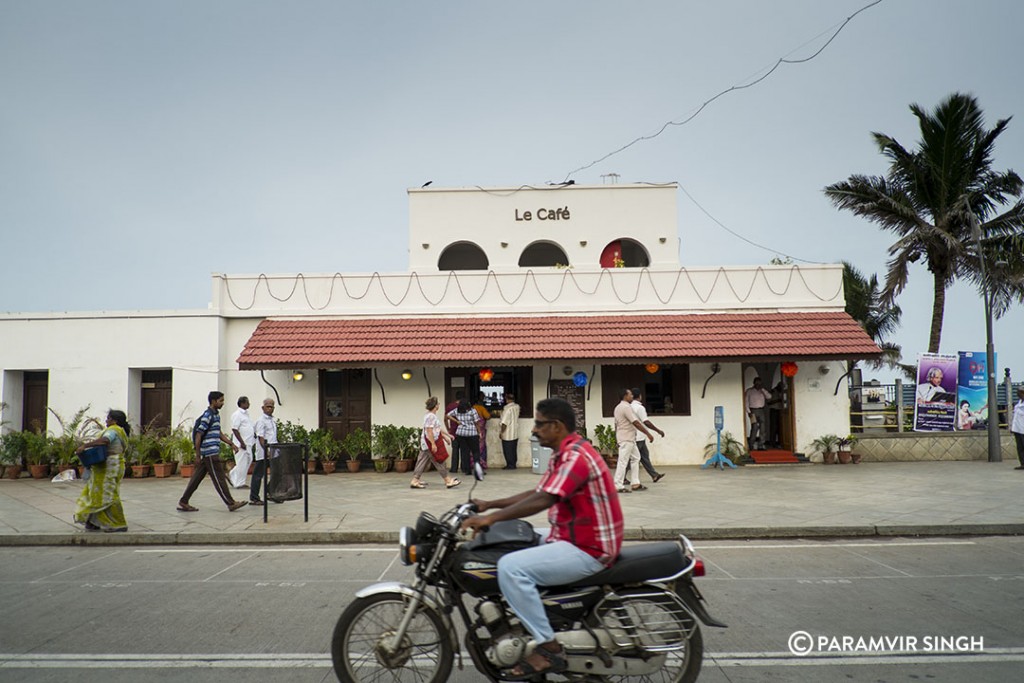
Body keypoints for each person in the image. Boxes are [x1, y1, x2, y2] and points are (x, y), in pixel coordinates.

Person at [461, 397, 623, 679]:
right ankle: (532, 617)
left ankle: (549, 647)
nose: (534, 430)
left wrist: (490, 519)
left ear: (557, 426)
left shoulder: (575, 457)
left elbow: (545, 499)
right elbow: (538, 491)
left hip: (590, 545)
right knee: (512, 544)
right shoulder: (566, 451)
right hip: (574, 534)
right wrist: (491, 505)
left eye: (539, 424)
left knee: (510, 568)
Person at [177, 391, 247, 513]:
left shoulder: (216, 415)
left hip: (209, 454)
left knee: (196, 479)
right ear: (213, 401)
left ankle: (184, 501)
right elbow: (199, 435)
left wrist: (231, 444)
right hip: (209, 454)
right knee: (219, 479)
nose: (223, 403)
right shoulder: (207, 415)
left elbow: (218, 432)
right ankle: (230, 503)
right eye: (221, 401)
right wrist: (197, 454)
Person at [73, 409, 130, 532]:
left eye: (108, 418)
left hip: (109, 467)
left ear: (115, 420)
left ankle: (118, 523)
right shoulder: (118, 431)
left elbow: (105, 440)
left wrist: (85, 446)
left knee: (108, 494)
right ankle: (93, 522)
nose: (106, 420)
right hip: (107, 466)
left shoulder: (113, 430)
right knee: (95, 493)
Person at [409, 396, 461, 489]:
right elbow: (429, 431)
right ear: (435, 406)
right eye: (438, 403)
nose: (439, 405)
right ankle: (447, 480)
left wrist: (446, 436)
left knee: (422, 461)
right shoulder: (431, 417)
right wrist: (433, 444)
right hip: (430, 442)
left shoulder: (429, 415)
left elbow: (437, 429)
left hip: (426, 442)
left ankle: (415, 480)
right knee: (439, 460)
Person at [613, 388, 654, 493]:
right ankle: (617, 484)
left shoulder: (618, 407)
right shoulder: (625, 407)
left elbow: (616, 424)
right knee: (623, 461)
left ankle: (635, 483)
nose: (632, 396)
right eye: (630, 394)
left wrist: (616, 438)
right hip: (626, 438)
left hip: (628, 438)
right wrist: (648, 433)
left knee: (636, 458)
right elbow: (635, 422)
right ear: (625, 396)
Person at [630, 388, 665, 484]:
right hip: (639, 436)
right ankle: (623, 477)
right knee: (634, 458)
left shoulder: (629, 407)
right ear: (640, 396)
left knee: (644, 456)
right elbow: (646, 422)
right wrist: (658, 430)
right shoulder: (639, 408)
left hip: (636, 436)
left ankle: (654, 475)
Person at [249, 398, 277, 505]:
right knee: (258, 475)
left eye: (272, 407)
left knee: (277, 473)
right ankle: (254, 497)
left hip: (274, 451)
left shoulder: (272, 420)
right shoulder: (261, 421)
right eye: (268, 406)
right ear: (263, 407)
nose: (270, 409)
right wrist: (266, 450)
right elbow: (261, 437)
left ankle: (271, 493)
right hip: (264, 452)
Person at [447, 398, 483, 476]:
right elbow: (477, 423)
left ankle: (468, 470)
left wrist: (456, 421)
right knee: (475, 452)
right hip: (472, 433)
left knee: (465, 452)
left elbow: (448, 415)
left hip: (461, 434)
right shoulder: (472, 411)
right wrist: (479, 432)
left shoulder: (457, 410)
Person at [228, 396, 254, 489]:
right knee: (241, 463)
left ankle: (233, 473)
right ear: (242, 403)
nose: (249, 404)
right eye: (247, 402)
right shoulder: (237, 414)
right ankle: (239, 483)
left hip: (249, 442)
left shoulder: (246, 414)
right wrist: (241, 442)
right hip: (241, 444)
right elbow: (235, 429)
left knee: (249, 460)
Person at [745, 377, 772, 451]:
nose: (758, 385)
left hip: (761, 410)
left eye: (759, 383)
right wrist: (748, 412)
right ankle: (751, 444)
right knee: (754, 427)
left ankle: (761, 444)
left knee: (763, 427)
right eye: (757, 383)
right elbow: (746, 402)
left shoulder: (762, 391)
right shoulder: (749, 391)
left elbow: (769, 396)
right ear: (754, 383)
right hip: (753, 410)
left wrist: (763, 390)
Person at [499, 392, 521, 469]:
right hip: (514, 432)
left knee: (508, 451)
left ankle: (510, 465)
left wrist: (501, 432)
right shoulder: (517, 406)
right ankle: (513, 464)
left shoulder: (507, 409)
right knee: (513, 450)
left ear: (507, 399)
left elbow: (504, 423)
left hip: (507, 433)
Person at [474, 392, 491, 470]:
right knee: (482, 447)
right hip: (481, 430)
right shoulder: (481, 408)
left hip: (473, 431)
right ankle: (482, 463)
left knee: (473, 447)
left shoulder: (472, 408)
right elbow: (487, 416)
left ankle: (473, 464)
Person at [1012, 388, 1024, 470]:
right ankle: (1022, 463)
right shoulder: (1018, 404)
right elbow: (1015, 417)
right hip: (1017, 429)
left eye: (1019, 393)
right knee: (1020, 447)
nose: (1018, 394)